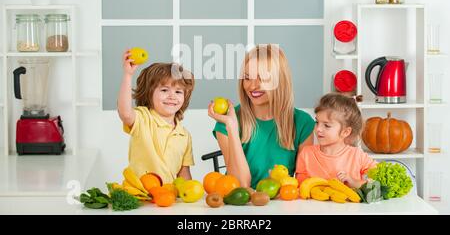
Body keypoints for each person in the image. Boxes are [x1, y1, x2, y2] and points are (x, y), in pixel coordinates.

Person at [208, 44, 315, 189]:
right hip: (239, 205)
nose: (252, 86)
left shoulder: (303, 123)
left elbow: (303, 182)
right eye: (247, 78)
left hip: (281, 205)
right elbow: (241, 185)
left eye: (262, 78)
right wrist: (232, 128)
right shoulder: (227, 122)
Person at [117, 49, 195, 184]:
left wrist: (187, 197)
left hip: (165, 199)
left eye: (178, 91)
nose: (172, 96)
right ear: (148, 93)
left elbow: (184, 173)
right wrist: (128, 75)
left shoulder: (184, 135)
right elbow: (125, 113)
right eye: (164, 90)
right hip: (139, 195)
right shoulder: (143, 118)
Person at [295, 93, 377, 188]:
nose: (318, 129)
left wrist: (354, 182)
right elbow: (300, 184)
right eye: (317, 122)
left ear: (345, 132)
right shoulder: (306, 154)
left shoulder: (357, 156)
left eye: (327, 125)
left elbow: (375, 182)